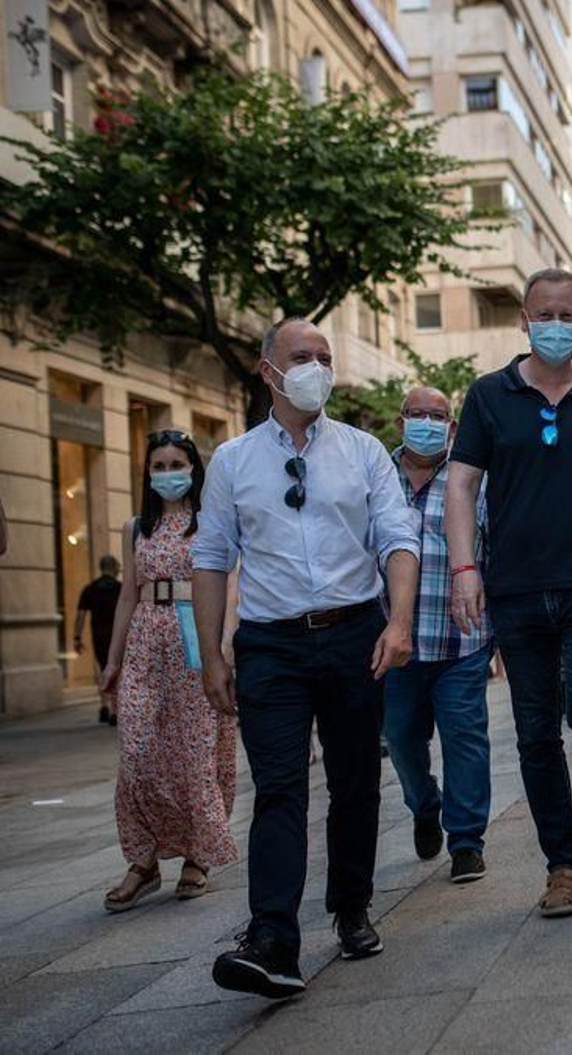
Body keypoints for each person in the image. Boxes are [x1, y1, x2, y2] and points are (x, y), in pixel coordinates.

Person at [193, 318, 420, 999]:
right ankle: (273, 938)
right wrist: (211, 655)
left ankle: (351, 908)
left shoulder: (363, 452)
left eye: (325, 356)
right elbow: (210, 559)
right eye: (303, 356)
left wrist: (399, 621)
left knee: (354, 780)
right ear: (268, 371)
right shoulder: (233, 461)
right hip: (270, 643)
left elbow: (397, 539)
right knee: (280, 786)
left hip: (355, 632)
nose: (318, 366)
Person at [446, 267, 572, 925]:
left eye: (567, 313)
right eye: (543, 313)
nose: (555, 323)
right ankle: (562, 863)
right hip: (516, 588)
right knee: (534, 730)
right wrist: (465, 569)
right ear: (523, 320)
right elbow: (462, 484)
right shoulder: (488, 395)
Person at [98, 431, 237, 912]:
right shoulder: (136, 526)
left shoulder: (209, 523)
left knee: (196, 754)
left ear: (194, 468)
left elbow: (228, 584)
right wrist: (113, 660)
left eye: (176, 463)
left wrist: (222, 644)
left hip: (193, 637)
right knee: (135, 752)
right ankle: (143, 858)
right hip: (144, 640)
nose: (167, 473)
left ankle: (199, 855)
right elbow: (126, 597)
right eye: (157, 466)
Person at [385, 386, 495, 884]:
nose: (428, 422)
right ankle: (424, 804)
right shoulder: (376, 476)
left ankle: (467, 840)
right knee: (403, 741)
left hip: (461, 640)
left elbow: (493, 548)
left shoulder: (471, 479)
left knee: (465, 739)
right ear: (399, 421)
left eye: (439, 416)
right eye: (418, 414)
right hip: (394, 645)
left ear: (452, 428)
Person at [76, 555, 123, 724]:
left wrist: (77, 637)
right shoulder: (120, 588)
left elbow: (81, 615)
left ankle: (104, 706)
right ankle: (115, 710)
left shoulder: (90, 588)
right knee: (117, 670)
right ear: (112, 567)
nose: (119, 569)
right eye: (118, 566)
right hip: (117, 635)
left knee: (103, 668)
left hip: (99, 635)